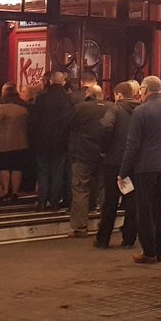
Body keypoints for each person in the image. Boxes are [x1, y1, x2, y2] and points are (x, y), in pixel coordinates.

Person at [119, 76, 161, 264]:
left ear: (145, 90)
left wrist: (123, 170)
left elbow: (133, 144)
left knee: (145, 210)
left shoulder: (141, 111)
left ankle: (149, 251)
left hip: (145, 167)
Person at [96, 80, 140, 249]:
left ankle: (103, 238)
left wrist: (104, 148)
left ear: (119, 95)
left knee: (110, 200)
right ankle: (129, 238)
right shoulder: (140, 110)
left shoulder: (115, 109)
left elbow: (106, 127)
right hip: (134, 162)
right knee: (131, 200)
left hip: (113, 161)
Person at [67, 83, 108, 238]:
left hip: (83, 153)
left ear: (88, 94)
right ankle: (104, 223)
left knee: (80, 189)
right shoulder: (111, 107)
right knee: (104, 189)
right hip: (104, 155)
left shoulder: (81, 108)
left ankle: (80, 227)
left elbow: (69, 124)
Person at [30, 71, 74, 211]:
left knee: (43, 170)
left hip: (42, 141)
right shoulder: (68, 100)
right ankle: (54, 201)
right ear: (62, 82)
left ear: (50, 81)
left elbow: (34, 121)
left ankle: (42, 200)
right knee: (57, 171)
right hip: (61, 142)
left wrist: (33, 139)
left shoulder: (42, 98)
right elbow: (69, 122)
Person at [0, 82, 28, 202]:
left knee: (4, 166)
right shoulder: (24, 109)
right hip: (21, 142)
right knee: (17, 167)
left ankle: (4, 191)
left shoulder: (1, 108)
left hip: (5, 142)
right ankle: (15, 191)